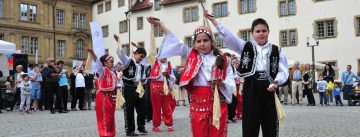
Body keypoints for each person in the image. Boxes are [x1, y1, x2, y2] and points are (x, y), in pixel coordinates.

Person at [204, 10, 289, 137]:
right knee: (250, 125)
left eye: (264, 31)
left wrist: (277, 81)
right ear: (252, 33)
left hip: (270, 89)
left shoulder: (277, 50)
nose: (261, 34)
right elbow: (230, 37)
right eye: (258, 31)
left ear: (268, 32)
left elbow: (284, 71)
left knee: (270, 125)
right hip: (251, 87)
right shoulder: (245, 47)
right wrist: (214, 21)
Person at [148, 16, 235, 137]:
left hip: (218, 102)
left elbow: (230, 78)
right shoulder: (191, 55)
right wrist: (161, 24)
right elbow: (176, 42)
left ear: (212, 42)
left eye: (205, 40)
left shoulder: (222, 59)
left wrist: (223, 83)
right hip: (198, 102)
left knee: (218, 133)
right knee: (199, 133)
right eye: (198, 41)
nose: (202, 44)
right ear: (194, 44)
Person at [117, 43, 148, 136]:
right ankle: (130, 130)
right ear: (135, 53)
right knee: (129, 110)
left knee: (143, 107)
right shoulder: (128, 61)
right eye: (140, 56)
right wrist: (119, 43)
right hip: (128, 87)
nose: (141, 59)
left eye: (143, 57)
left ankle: (141, 127)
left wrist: (144, 80)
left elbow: (143, 77)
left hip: (138, 87)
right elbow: (121, 54)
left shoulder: (142, 66)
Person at [88, 49, 118, 137]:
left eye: (113, 61)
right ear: (105, 63)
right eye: (111, 61)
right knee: (104, 117)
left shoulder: (112, 73)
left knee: (110, 117)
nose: (113, 63)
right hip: (103, 97)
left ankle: (111, 134)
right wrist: (93, 54)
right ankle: (105, 134)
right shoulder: (102, 71)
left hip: (111, 98)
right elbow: (97, 63)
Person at [149, 58, 176, 132]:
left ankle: (169, 124)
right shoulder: (153, 63)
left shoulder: (169, 65)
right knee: (156, 107)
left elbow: (174, 77)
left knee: (167, 106)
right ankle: (156, 125)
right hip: (155, 86)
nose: (163, 58)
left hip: (165, 87)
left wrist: (168, 75)